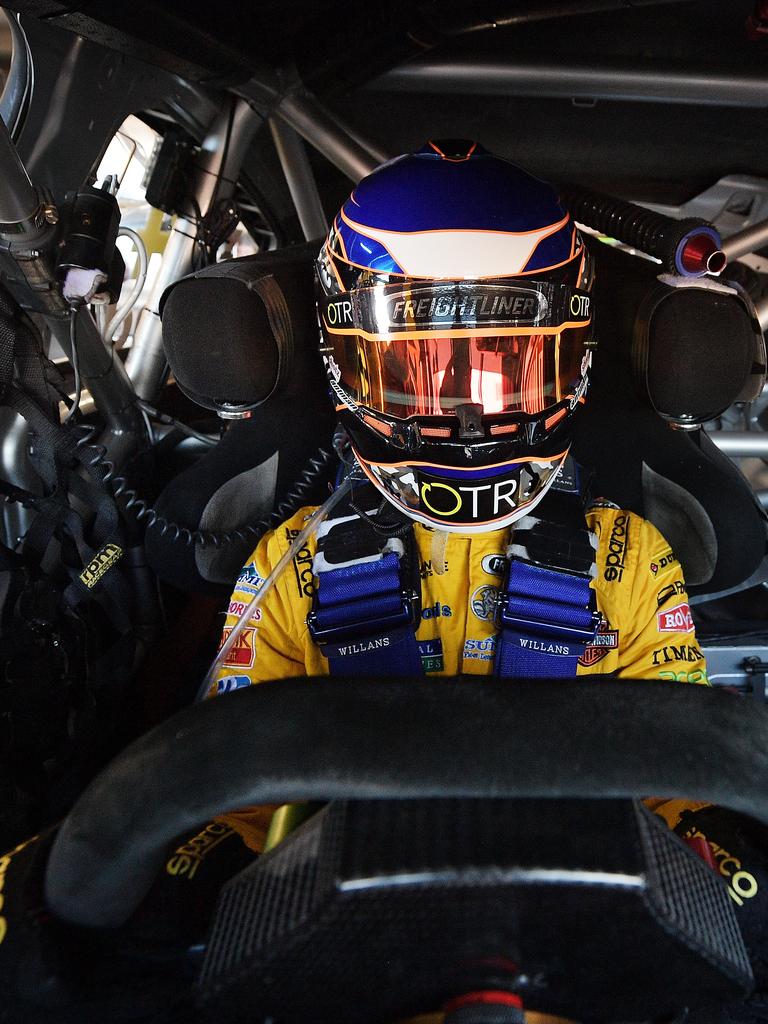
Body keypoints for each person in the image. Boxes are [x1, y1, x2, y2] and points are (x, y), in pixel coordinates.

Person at [207, 138, 708, 851]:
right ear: (340, 358)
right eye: (426, 370)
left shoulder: (628, 560)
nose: (469, 411)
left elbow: (686, 784)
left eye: (506, 365)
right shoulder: (291, 568)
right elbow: (230, 798)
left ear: (577, 359)